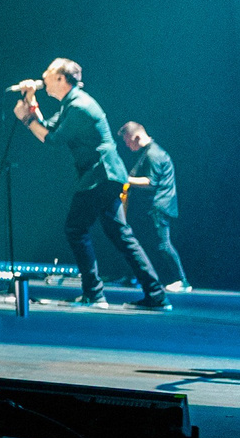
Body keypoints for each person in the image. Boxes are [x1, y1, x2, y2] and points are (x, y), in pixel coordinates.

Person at [15, 59, 167, 310]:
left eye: (48, 75)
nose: (43, 78)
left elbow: (51, 138)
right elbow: (50, 126)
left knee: (76, 229)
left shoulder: (80, 106)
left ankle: (95, 294)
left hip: (100, 177)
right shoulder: (72, 103)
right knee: (121, 236)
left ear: (62, 79)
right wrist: (31, 101)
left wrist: (26, 119)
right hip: (103, 176)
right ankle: (155, 295)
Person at [118, 122, 189, 292]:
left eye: (128, 141)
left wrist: (124, 179)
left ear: (136, 137)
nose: (127, 146)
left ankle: (182, 280)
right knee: (137, 242)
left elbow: (151, 182)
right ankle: (133, 277)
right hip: (152, 207)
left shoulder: (153, 154)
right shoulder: (147, 153)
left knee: (163, 244)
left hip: (159, 207)